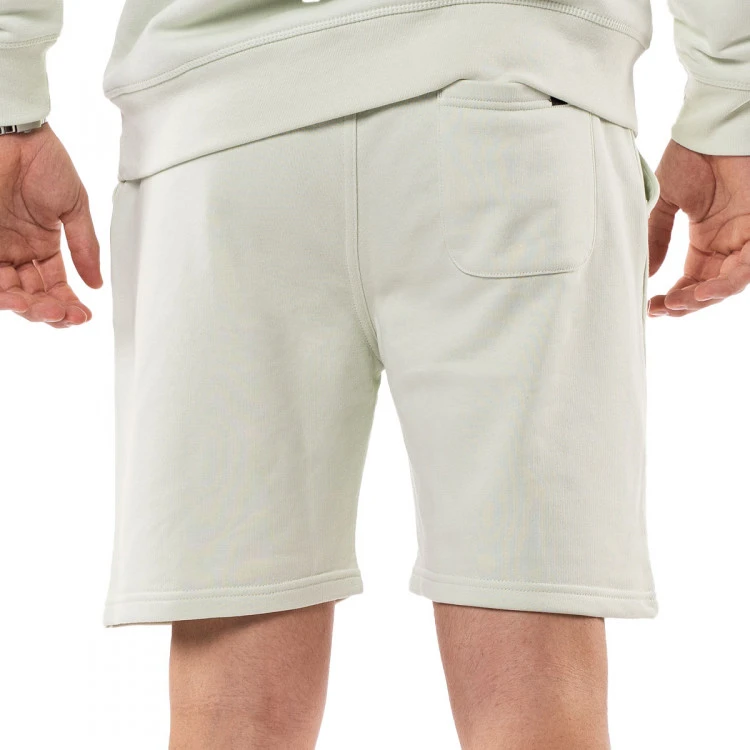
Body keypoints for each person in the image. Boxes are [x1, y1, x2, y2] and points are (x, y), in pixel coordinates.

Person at [0, 0, 748, 747]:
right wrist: (730, 103)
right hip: (513, 100)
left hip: (218, 138)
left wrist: (9, 102)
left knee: (232, 708)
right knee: (533, 689)